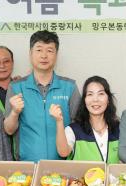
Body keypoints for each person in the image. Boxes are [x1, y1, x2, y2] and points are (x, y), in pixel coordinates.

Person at [4, 30, 81, 162]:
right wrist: (15, 112)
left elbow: (79, 126)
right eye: (39, 50)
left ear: (56, 55)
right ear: (30, 54)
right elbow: (9, 130)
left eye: (50, 51)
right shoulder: (16, 87)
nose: (44, 56)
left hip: (64, 163)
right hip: (27, 164)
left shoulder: (69, 87)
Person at [52, 76, 120, 163]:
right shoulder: (73, 130)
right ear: (84, 100)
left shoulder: (120, 128)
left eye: (101, 94)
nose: (95, 99)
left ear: (108, 99)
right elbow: (63, 152)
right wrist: (59, 121)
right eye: (90, 94)